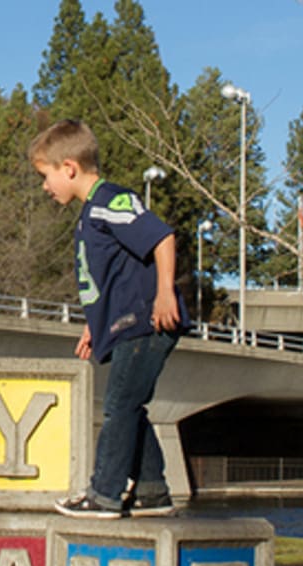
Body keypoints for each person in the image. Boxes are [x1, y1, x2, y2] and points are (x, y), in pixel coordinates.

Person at [28, 120, 188, 518]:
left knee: (118, 406)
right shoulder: (89, 214)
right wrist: (94, 324)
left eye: (46, 177)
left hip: (146, 323)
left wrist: (165, 292)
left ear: (69, 167)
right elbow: (111, 279)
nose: (46, 188)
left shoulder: (109, 200)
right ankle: (153, 492)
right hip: (124, 324)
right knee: (130, 405)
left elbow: (161, 237)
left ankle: (104, 494)